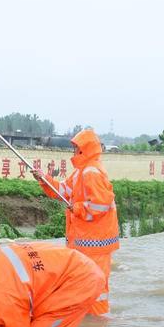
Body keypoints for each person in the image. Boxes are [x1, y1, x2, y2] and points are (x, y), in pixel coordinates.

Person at [35, 128, 119, 315]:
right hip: (87, 241)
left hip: (96, 243)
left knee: (96, 286)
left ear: (83, 150)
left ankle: (97, 324)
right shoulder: (81, 172)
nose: (73, 152)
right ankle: (89, 323)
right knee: (85, 283)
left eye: (76, 148)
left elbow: (100, 205)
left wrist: (78, 208)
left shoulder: (91, 172)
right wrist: (44, 180)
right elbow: (64, 192)